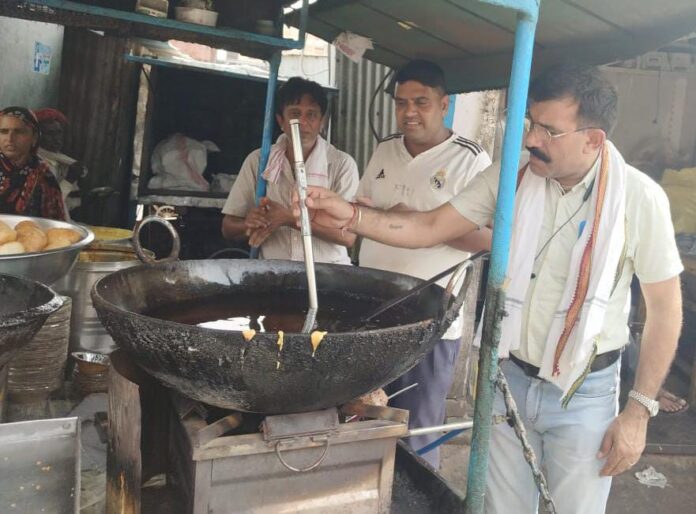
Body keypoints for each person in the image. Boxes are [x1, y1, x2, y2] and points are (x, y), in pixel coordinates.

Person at [295, 64, 683, 514]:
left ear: (593, 140)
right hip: (508, 376)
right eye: (531, 123)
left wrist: (638, 411)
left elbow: (665, 308)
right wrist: (352, 215)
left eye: (549, 130)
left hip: (584, 391)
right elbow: (432, 226)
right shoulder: (513, 175)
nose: (532, 138)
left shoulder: (639, 198)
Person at [356, 60, 492, 467]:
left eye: (421, 102)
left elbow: (489, 238)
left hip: (431, 321)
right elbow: (365, 211)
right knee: (367, 422)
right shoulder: (385, 149)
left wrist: (420, 223)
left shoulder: (470, 159)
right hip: (375, 313)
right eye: (401, 103)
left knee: (417, 434)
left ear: (444, 105)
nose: (409, 112)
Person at [221, 77, 359, 263]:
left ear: (322, 121)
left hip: (329, 272)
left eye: (311, 114)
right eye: (295, 113)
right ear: (281, 120)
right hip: (274, 272)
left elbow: (348, 237)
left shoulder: (342, 164)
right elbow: (228, 228)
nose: (302, 122)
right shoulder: (259, 161)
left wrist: (288, 219)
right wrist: (249, 223)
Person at [0, 106, 66, 220]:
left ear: (34, 137)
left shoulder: (44, 176)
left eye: (19, 132)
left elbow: (54, 221)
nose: (10, 138)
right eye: (3, 131)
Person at [35, 108, 87, 218]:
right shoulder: (36, 163)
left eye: (59, 133)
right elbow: (50, 204)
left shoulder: (61, 160)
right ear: (37, 136)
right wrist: (69, 179)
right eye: (50, 134)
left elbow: (69, 203)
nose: (57, 139)